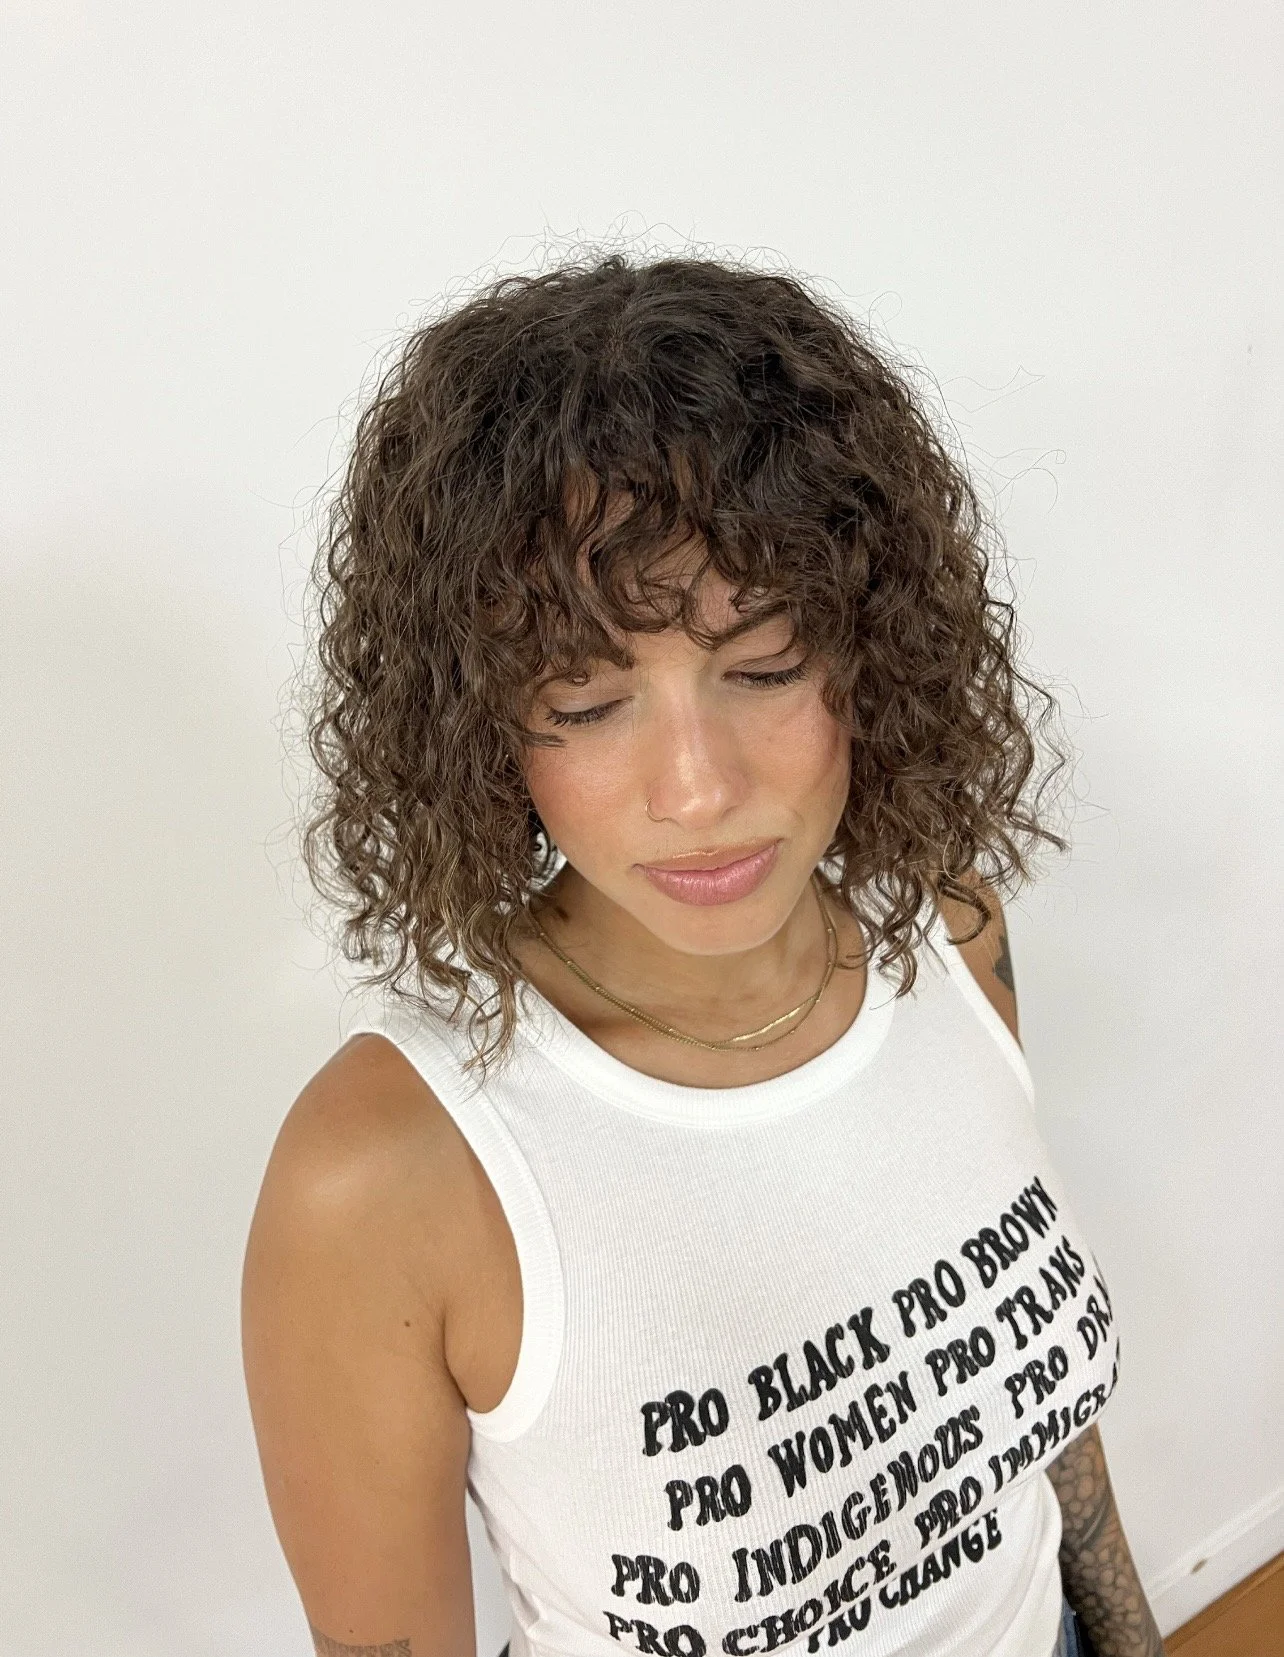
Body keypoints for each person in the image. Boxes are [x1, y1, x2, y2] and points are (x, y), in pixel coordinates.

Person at [240, 252, 1166, 1657]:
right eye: (590, 699)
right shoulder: (387, 1177)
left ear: (871, 649)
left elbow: (1038, 1424)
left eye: (767, 665)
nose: (698, 788)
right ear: (480, 722)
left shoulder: (951, 933)